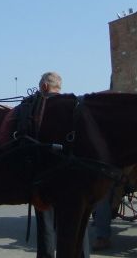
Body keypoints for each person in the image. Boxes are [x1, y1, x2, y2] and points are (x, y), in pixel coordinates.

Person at [35, 72, 90, 258]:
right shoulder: (74, 105)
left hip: (47, 177)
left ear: (44, 87)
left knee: (46, 224)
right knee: (77, 224)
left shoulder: (39, 108)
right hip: (74, 177)